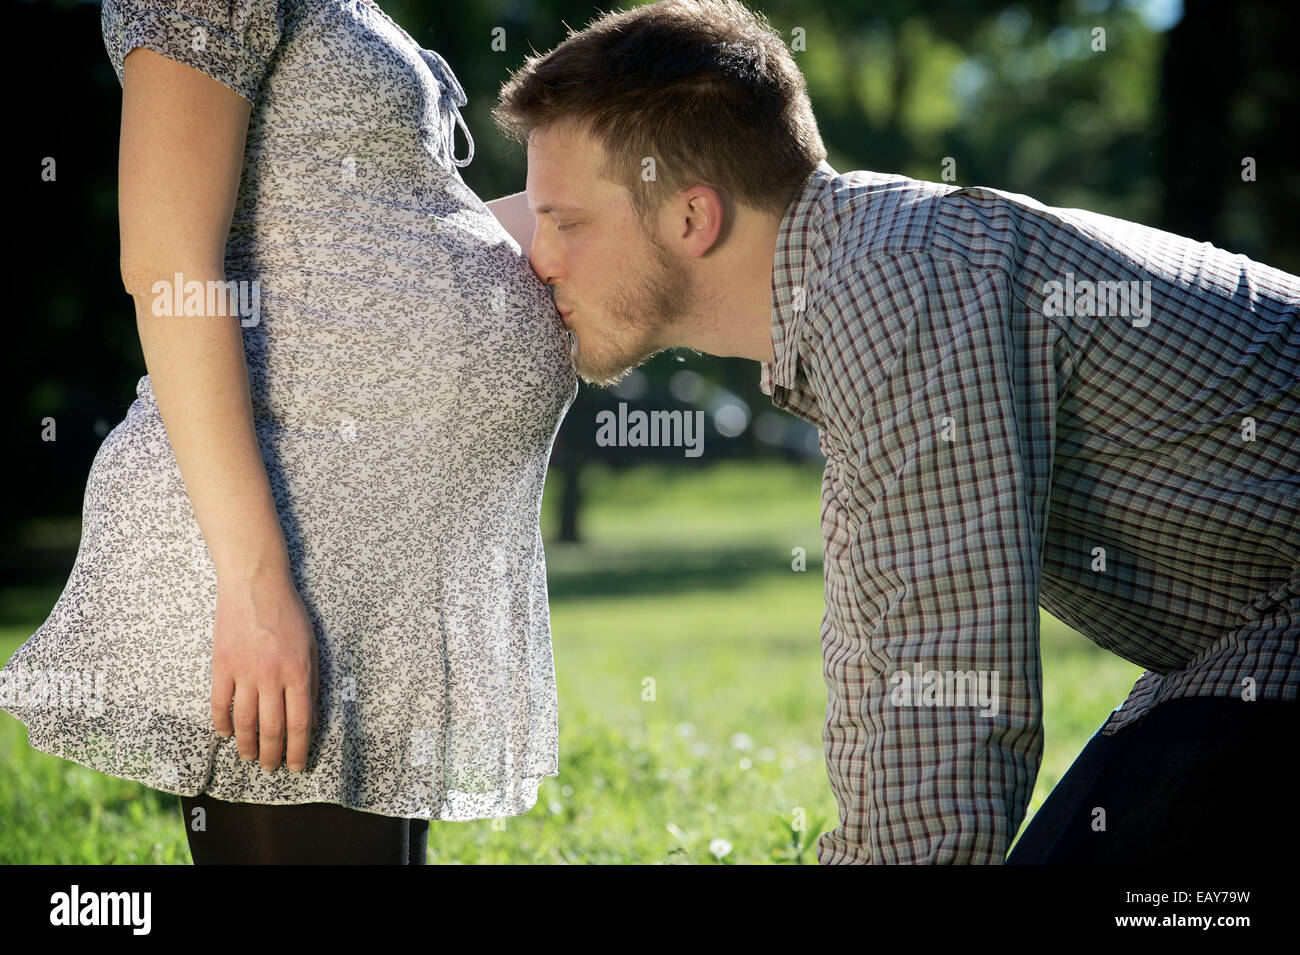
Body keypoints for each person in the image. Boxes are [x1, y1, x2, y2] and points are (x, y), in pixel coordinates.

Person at [488, 0, 1300, 864]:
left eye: (563, 220)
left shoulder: (894, 286)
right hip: (1245, 640)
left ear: (693, 218)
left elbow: (951, 688)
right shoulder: (855, 283)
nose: (537, 255)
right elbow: (883, 662)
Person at [0, 0, 576, 864]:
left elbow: (387, 237)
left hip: (368, 552)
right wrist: (256, 584)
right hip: (286, 538)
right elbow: (167, 264)